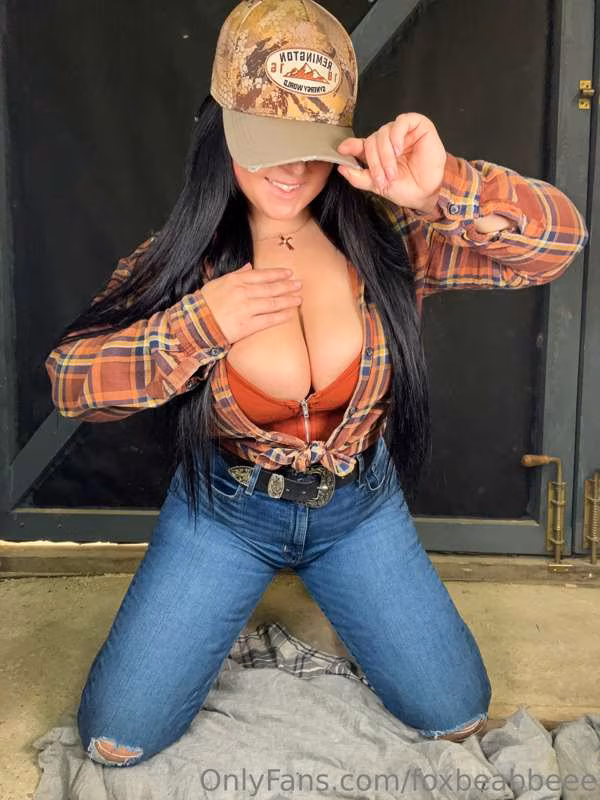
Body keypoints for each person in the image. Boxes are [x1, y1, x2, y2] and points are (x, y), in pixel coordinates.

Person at [45, 0, 588, 768]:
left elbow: (560, 244)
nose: (291, 169)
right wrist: (200, 324)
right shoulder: (181, 262)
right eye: (267, 142)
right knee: (117, 738)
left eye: (310, 146)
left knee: (456, 712)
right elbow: (70, 382)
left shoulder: (389, 240)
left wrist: (445, 186)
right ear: (223, 129)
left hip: (358, 507)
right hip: (225, 512)